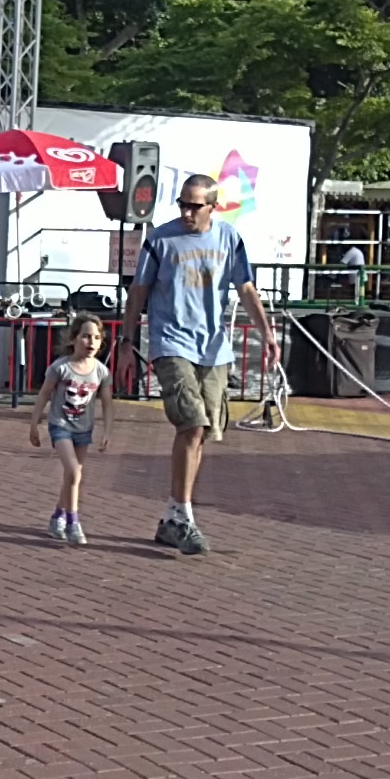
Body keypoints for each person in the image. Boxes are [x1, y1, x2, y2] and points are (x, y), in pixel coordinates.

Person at [116, 174, 278, 555]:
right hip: (171, 342)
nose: (187, 213)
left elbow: (246, 288)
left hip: (214, 348)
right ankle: (183, 516)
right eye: (182, 204)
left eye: (195, 206)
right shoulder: (160, 239)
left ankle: (173, 516)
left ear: (213, 206)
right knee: (191, 422)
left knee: (202, 432)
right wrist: (127, 341)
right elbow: (138, 291)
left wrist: (268, 334)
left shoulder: (229, 239)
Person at [28, 313, 113, 546]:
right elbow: (44, 395)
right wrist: (34, 424)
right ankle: (73, 522)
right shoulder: (61, 367)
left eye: (96, 337)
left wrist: (107, 431)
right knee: (74, 472)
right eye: (86, 336)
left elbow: (107, 403)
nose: (91, 342)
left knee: (71, 477)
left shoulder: (101, 371)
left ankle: (58, 516)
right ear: (74, 339)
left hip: (84, 430)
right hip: (61, 426)